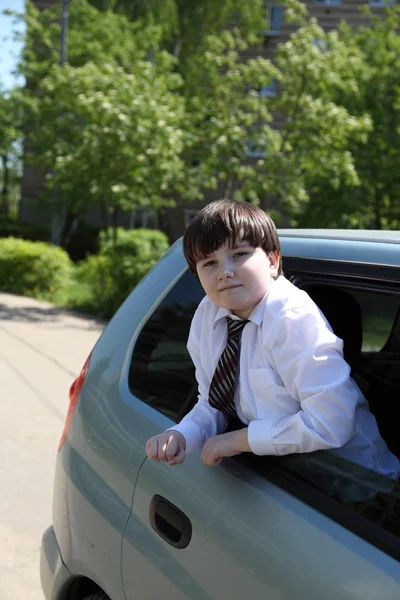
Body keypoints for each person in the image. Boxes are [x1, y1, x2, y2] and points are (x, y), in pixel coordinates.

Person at [146, 199, 400, 480]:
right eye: (209, 263)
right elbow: (214, 402)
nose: (224, 272)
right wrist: (183, 434)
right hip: (288, 471)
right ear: (197, 275)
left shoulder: (291, 318)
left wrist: (237, 440)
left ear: (272, 261)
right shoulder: (208, 316)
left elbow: (333, 422)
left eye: (239, 254)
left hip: (355, 480)